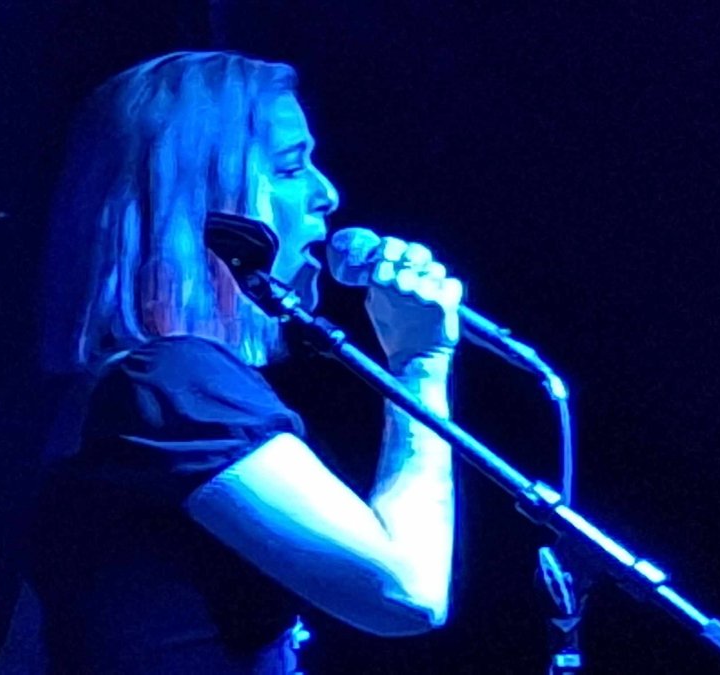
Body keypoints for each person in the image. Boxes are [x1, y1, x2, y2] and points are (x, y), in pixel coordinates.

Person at [31, 50, 463, 674]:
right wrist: (421, 366)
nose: (327, 194)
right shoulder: (172, 382)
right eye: (290, 167)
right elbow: (406, 593)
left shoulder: (138, 384)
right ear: (201, 207)